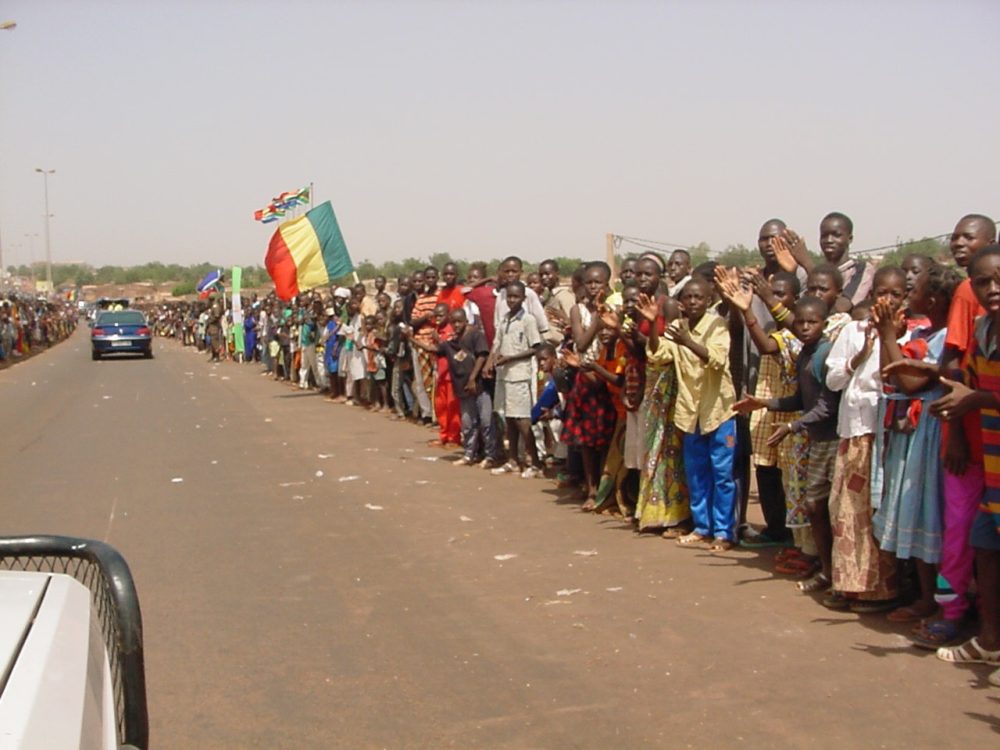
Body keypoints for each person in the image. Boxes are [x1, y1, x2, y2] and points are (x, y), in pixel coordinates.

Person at [922, 244, 1000, 687]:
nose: (992, 289)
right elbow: (964, 382)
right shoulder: (984, 328)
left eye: (998, 279)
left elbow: (975, 393)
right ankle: (989, 640)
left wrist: (979, 399)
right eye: (983, 282)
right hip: (990, 457)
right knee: (985, 547)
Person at [735, 296, 841, 589]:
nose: (805, 327)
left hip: (831, 441)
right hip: (818, 441)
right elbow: (801, 399)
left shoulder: (825, 355)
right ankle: (825, 569)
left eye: (812, 322)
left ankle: (832, 571)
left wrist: (793, 426)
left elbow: (826, 407)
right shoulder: (806, 354)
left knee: (827, 508)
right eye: (801, 323)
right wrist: (765, 403)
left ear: (825, 323)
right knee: (815, 506)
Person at [824, 267, 910, 612]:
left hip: (884, 435)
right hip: (852, 432)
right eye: (881, 293)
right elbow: (832, 380)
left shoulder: (907, 334)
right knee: (845, 511)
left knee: (875, 511)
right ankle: (850, 584)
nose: (887, 300)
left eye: (896, 294)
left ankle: (881, 590)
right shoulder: (853, 331)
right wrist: (857, 359)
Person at [644, 275, 737, 551]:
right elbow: (657, 354)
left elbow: (718, 360)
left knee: (722, 475)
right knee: (696, 473)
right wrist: (652, 324)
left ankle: (724, 532)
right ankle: (702, 527)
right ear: (681, 303)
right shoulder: (676, 327)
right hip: (690, 413)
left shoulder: (717, 325)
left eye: (699, 297)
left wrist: (687, 341)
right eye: (689, 297)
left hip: (719, 411)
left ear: (709, 301)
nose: (694, 301)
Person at [489, 281, 543, 479]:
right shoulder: (504, 319)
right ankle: (513, 460)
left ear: (523, 298)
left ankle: (535, 462)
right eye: (509, 297)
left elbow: (535, 347)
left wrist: (511, 357)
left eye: (516, 297)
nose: (512, 300)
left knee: (522, 420)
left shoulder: (528, 320)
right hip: (504, 375)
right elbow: (497, 343)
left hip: (519, 375)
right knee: (509, 419)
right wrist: (491, 361)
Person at [430, 308, 497, 467]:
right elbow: (434, 349)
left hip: (480, 387)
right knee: (468, 423)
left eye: (460, 321)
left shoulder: (475, 335)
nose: (457, 325)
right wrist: (412, 339)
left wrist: (473, 378)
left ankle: (490, 455)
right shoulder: (452, 343)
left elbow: (482, 356)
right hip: (463, 389)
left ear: (466, 321)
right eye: (453, 322)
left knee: (486, 421)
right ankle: (469, 454)